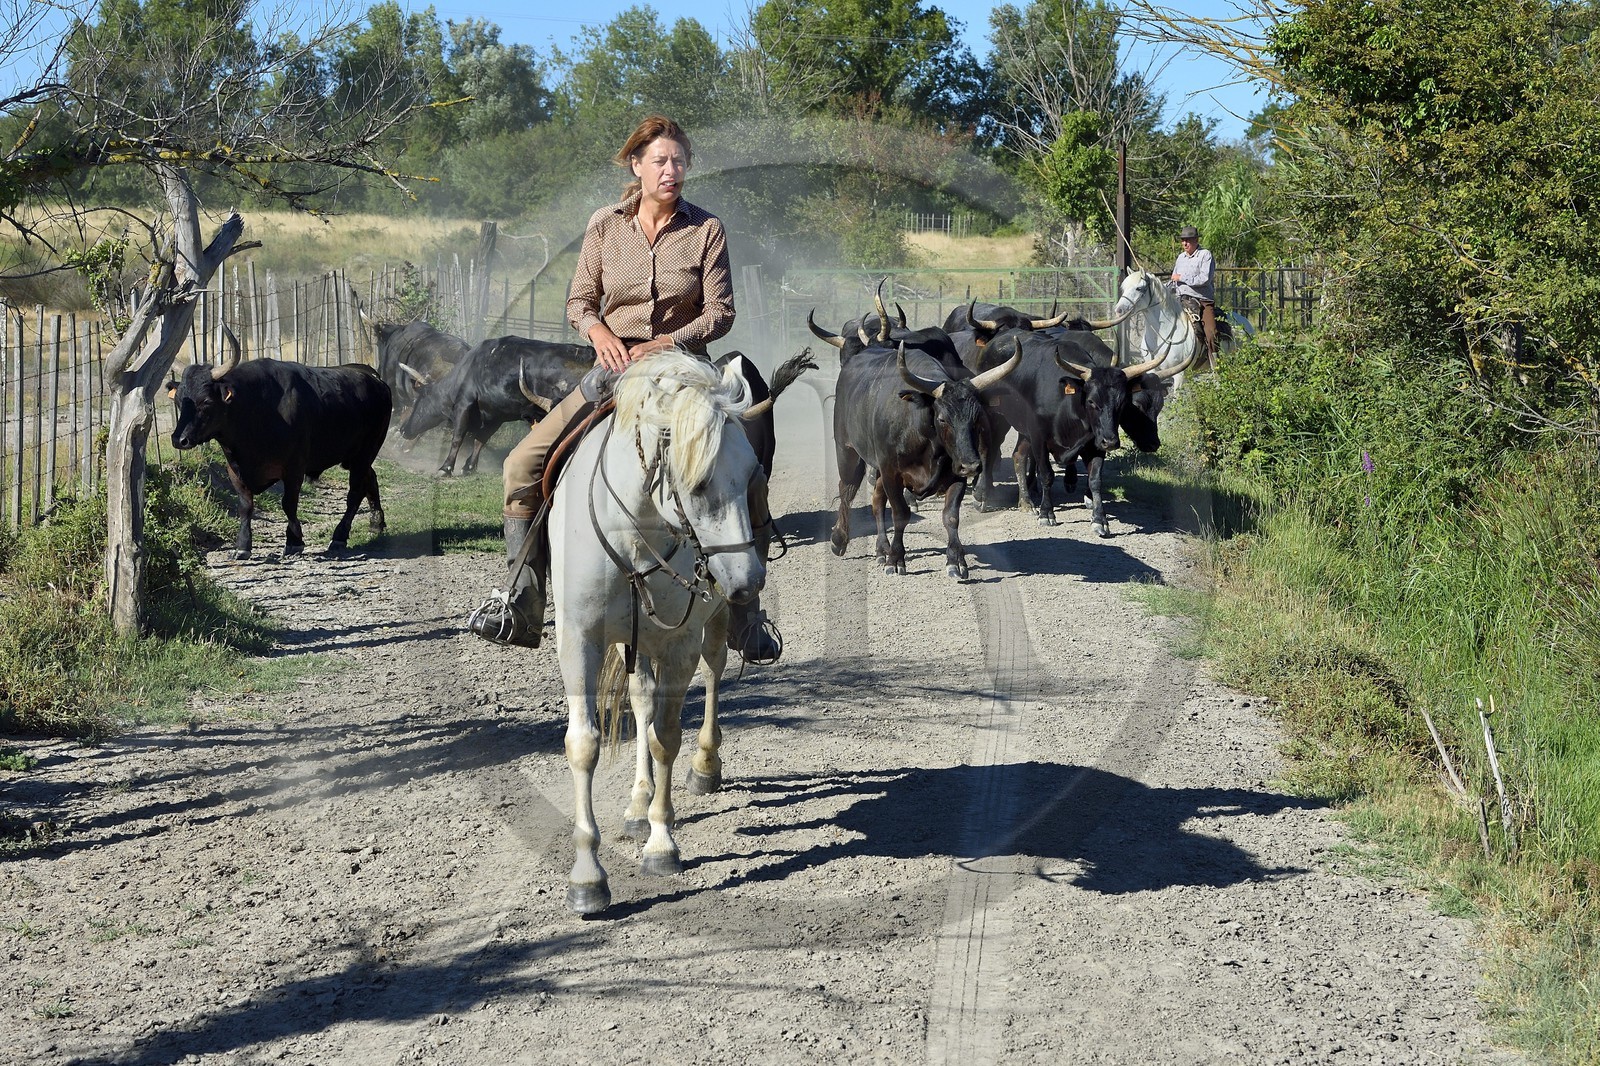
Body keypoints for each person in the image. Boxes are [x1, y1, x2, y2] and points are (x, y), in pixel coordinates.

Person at [470, 114, 781, 662]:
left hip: (685, 373)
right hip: (611, 370)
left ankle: (746, 615)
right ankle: (521, 600)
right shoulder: (604, 225)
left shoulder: (706, 229)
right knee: (521, 464)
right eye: (660, 160)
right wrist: (598, 332)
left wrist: (667, 342)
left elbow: (720, 313)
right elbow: (578, 302)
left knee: (743, 467)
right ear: (636, 166)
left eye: (679, 160)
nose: (672, 170)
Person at [1170, 224, 1218, 362]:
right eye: (1183, 240)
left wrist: (1182, 278)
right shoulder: (1180, 258)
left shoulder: (1205, 255)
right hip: (1181, 299)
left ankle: (1216, 363)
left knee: (1211, 332)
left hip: (1202, 301)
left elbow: (1204, 279)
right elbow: (1174, 279)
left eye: (1188, 240)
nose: (1185, 243)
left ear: (1196, 240)